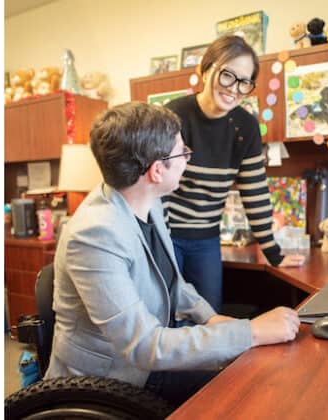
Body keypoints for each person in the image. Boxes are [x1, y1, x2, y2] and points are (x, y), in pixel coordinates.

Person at [45, 102, 300, 406]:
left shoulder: (148, 202)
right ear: (156, 170)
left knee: (253, 370)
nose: (187, 159)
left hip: (147, 361)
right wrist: (250, 332)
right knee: (249, 392)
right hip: (109, 383)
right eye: (182, 152)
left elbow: (174, 285)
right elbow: (144, 345)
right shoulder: (94, 234)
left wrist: (212, 318)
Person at [165, 35, 304, 313]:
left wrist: (273, 252)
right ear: (206, 70)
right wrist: (158, 242)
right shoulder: (174, 115)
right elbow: (157, 186)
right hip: (168, 235)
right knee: (167, 313)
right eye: (227, 75)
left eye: (244, 81)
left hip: (206, 238)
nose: (235, 89)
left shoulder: (246, 127)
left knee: (210, 315)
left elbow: (255, 192)